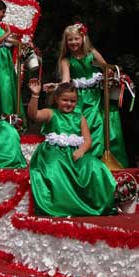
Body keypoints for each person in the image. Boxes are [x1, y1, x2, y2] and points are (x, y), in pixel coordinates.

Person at [44, 22, 128, 167]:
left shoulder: (92, 54)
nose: (73, 42)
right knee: (82, 125)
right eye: (70, 39)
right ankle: (81, 160)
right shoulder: (66, 60)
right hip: (79, 99)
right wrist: (56, 86)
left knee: (99, 124)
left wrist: (113, 78)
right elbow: (66, 80)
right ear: (66, 42)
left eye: (76, 38)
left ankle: (98, 161)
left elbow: (108, 70)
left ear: (83, 38)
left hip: (96, 97)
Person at [28, 80, 116, 217]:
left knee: (95, 165)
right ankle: (62, 204)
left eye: (73, 101)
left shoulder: (80, 118)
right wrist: (35, 95)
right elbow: (34, 115)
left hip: (75, 154)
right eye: (65, 100)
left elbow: (88, 140)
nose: (69, 104)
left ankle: (97, 203)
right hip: (54, 152)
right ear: (57, 99)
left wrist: (81, 151)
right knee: (56, 166)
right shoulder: (51, 113)